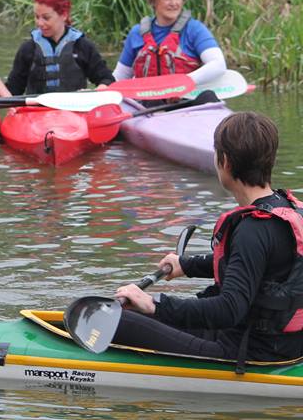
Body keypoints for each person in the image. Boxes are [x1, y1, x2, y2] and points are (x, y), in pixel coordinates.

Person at [113, 112, 303, 370]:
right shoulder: (288, 210)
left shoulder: (253, 228)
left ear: (224, 161)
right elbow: (251, 263)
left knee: (121, 318)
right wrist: (187, 265)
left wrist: (155, 305)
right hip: (284, 345)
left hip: (246, 353)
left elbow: (229, 309)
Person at [112, 0, 226, 84]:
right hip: (146, 100)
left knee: (208, 97)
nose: (173, 3)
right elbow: (120, 76)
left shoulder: (195, 29)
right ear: (153, 0)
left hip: (186, 98)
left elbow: (218, 64)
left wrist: (184, 82)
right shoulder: (137, 33)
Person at [5, 0, 114, 95]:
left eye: (46, 18)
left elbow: (107, 79)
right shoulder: (28, 49)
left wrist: (95, 92)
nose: (40, 23)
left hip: (73, 110)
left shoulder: (83, 46)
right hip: (37, 110)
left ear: (64, 15)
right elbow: (12, 89)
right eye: (37, 17)